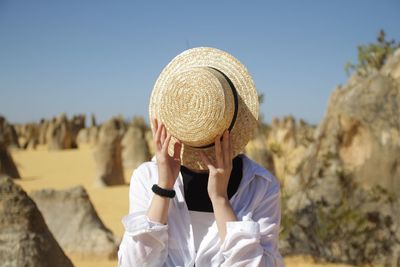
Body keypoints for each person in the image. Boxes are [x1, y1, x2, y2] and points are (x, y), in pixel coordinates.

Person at [118, 47, 284, 267]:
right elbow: (133, 264)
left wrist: (221, 200)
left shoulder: (260, 186)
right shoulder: (147, 178)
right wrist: (163, 189)